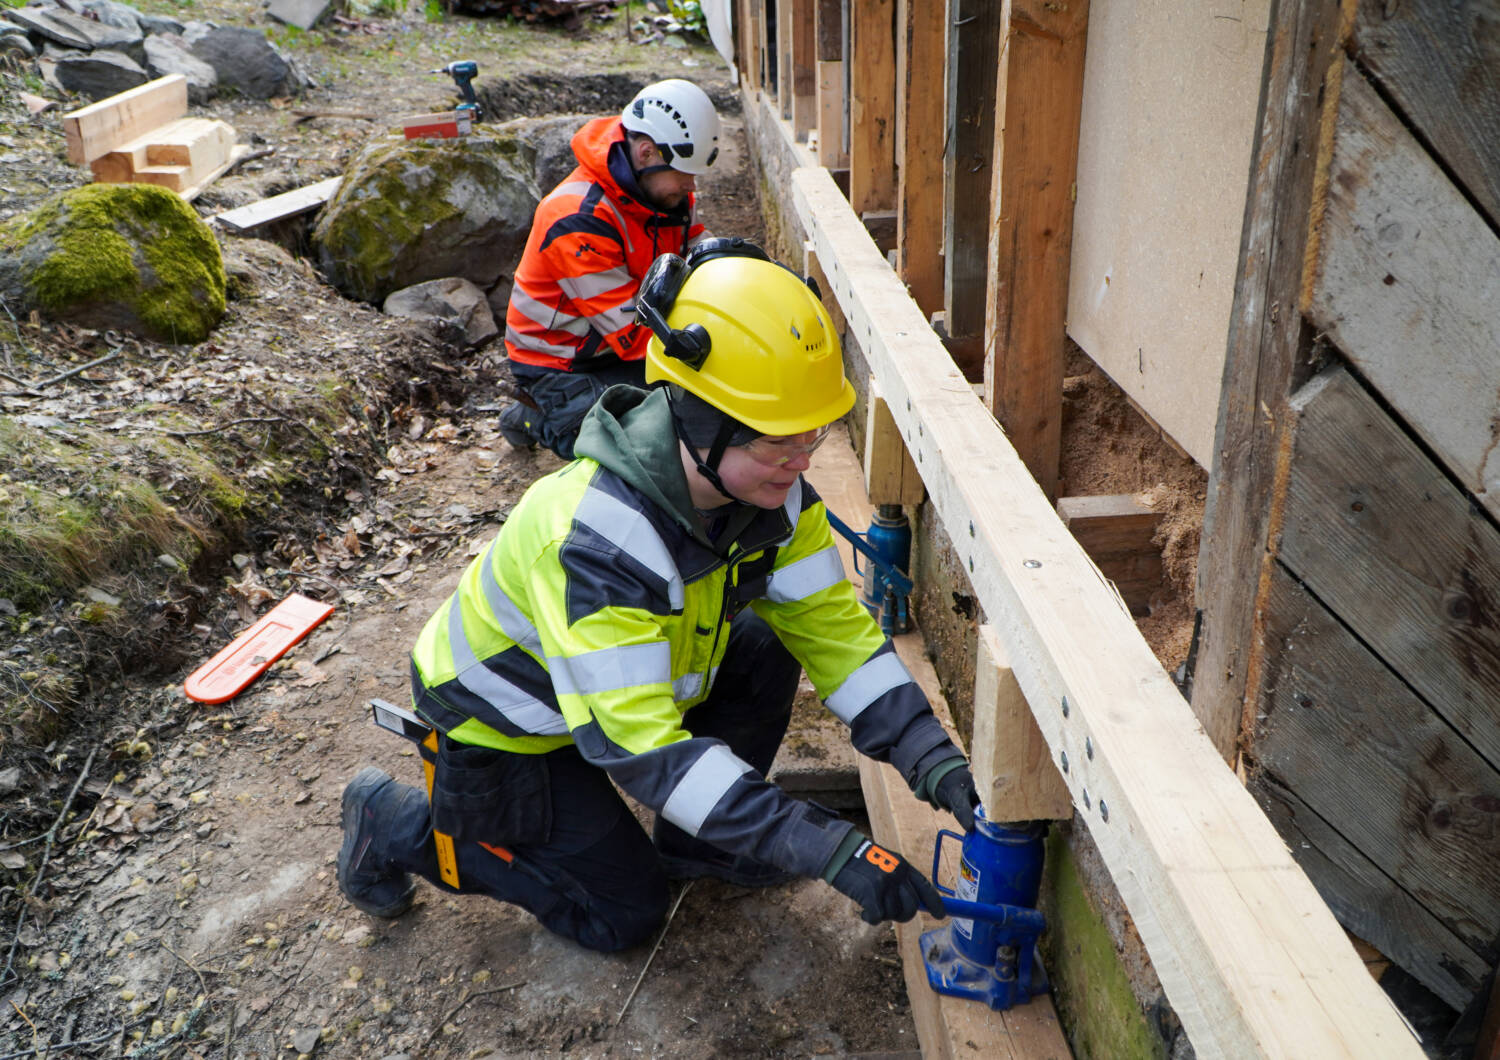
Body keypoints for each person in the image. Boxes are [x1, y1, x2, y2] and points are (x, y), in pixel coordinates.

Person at [337, 247, 983, 953]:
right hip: (504, 723)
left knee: (770, 644)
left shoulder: (775, 500)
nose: (803, 458)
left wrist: (932, 758)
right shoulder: (596, 542)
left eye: (812, 431)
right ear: (702, 423)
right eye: (779, 439)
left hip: (607, 697)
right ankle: (396, 822)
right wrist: (824, 847)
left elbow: (836, 635)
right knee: (625, 916)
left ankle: (698, 844)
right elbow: (642, 748)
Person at [498, 78, 722, 460]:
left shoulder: (666, 192)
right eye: (683, 172)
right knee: (630, 450)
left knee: (697, 411)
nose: (691, 184)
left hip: (612, 347)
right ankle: (536, 415)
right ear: (647, 152)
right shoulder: (576, 218)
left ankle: (558, 411)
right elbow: (632, 335)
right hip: (559, 364)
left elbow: (698, 253)